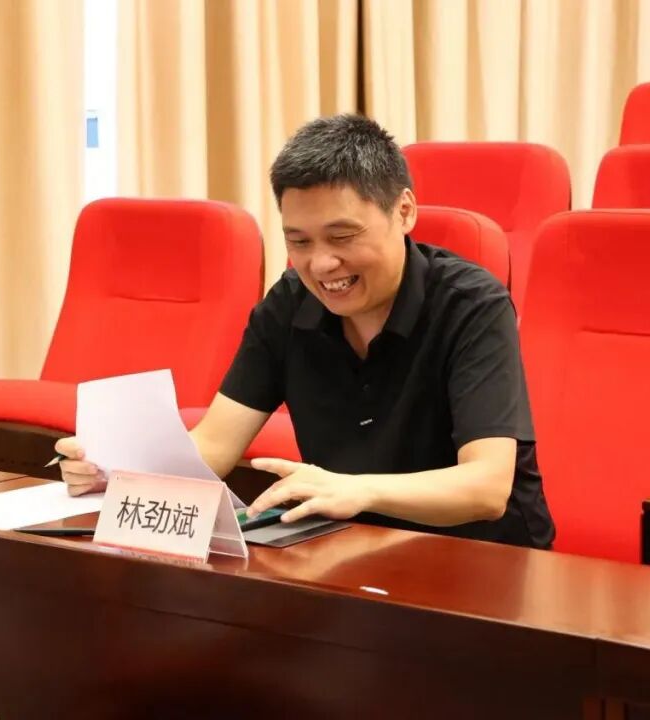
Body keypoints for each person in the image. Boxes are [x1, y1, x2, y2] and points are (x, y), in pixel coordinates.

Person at [57, 114, 555, 548]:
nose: (321, 264)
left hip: (484, 561)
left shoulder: (472, 305)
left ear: (404, 211)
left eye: (342, 236)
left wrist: (357, 488)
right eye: (299, 242)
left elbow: (486, 488)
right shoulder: (290, 304)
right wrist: (115, 470)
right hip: (353, 547)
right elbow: (214, 446)